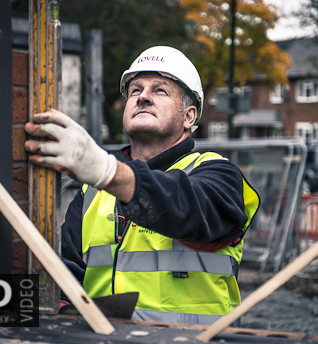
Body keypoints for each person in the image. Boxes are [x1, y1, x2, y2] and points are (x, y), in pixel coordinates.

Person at [24, 46, 260, 325]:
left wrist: (107, 171)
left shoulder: (218, 175)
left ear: (189, 117)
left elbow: (185, 207)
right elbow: (66, 272)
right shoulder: (93, 192)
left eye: (160, 90)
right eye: (135, 90)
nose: (143, 97)